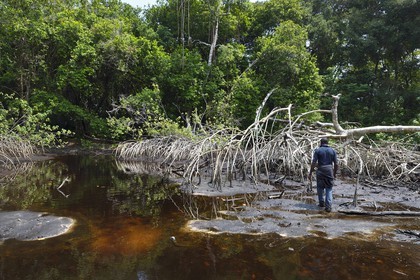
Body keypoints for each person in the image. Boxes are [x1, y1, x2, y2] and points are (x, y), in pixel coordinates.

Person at [308, 138, 338, 212]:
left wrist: (310, 173)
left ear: (321, 143)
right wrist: (334, 173)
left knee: (320, 187)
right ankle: (328, 206)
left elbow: (314, 162)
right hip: (329, 170)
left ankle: (321, 203)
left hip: (320, 170)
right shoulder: (332, 151)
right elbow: (336, 164)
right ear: (327, 143)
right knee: (329, 188)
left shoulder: (318, 150)